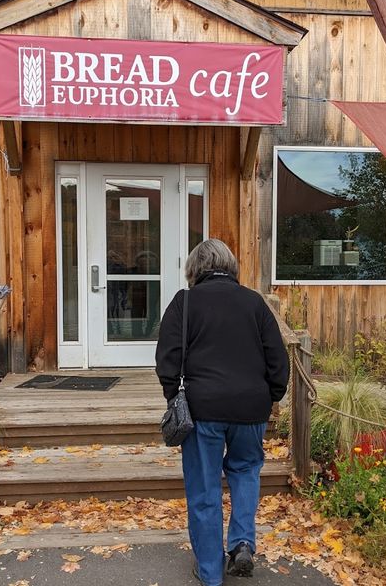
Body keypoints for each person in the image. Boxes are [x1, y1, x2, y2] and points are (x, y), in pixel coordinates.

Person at [155, 239, 290, 586]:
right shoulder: (254, 303)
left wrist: (175, 396)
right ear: (230, 266)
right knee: (246, 472)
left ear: (194, 269)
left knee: (204, 487)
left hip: (202, 410)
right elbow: (278, 359)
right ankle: (243, 542)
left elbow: (166, 358)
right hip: (251, 408)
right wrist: (270, 397)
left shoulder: (184, 303)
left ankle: (212, 573)